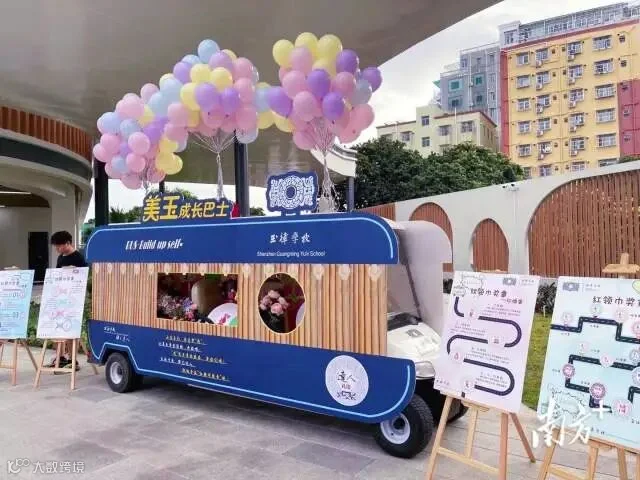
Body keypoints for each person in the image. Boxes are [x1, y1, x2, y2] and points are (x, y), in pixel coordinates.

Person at [45, 231, 88, 370]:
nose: (57, 249)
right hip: (60, 299)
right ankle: (61, 357)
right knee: (59, 328)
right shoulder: (60, 258)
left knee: (71, 330)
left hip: (74, 299)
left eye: (59, 246)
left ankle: (73, 360)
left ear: (68, 243)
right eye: (56, 246)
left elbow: (84, 278)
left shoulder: (79, 258)